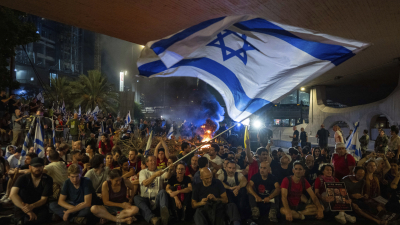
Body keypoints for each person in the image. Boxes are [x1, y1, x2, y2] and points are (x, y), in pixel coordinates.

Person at [9, 157, 53, 225]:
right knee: (21, 222)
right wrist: (27, 210)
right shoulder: (23, 178)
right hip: (22, 205)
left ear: (43, 167)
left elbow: (44, 199)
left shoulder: (47, 179)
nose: (37, 168)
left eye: (40, 166)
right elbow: (13, 194)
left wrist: (32, 206)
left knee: (36, 220)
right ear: (30, 167)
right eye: (35, 166)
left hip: (38, 206)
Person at [133, 156, 170, 225]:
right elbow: (145, 183)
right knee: (136, 198)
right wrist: (154, 175)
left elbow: (167, 176)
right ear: (147, 163)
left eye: (154, 161)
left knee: (162, 192)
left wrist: (170, 170)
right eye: (151, 161)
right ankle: (152, 218)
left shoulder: (160, 171)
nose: (153, 162)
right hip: (146, 201)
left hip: (157, 201)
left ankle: (164, 215)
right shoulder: (142, 172)